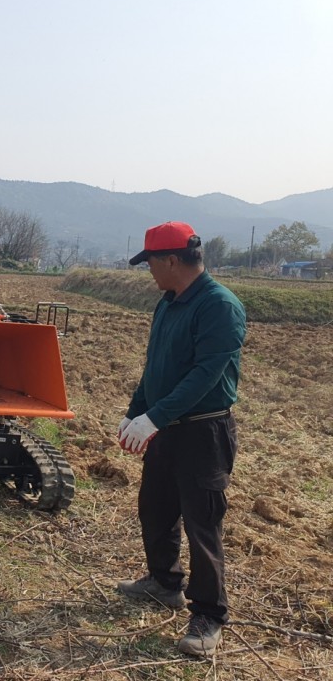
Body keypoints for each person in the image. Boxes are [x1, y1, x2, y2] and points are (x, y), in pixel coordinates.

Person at [116, 221, 246, 658]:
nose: (148, 270)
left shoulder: (218, 306)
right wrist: (136, 412)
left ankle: (209, 615)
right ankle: (164, 582)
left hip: (203, 431)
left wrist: (155, 417)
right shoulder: (168, 303)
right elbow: (156, 366)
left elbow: (203, 376)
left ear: (172, 260)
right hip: (165, 426)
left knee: (201, 521)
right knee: (155, 507)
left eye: (151, 262)